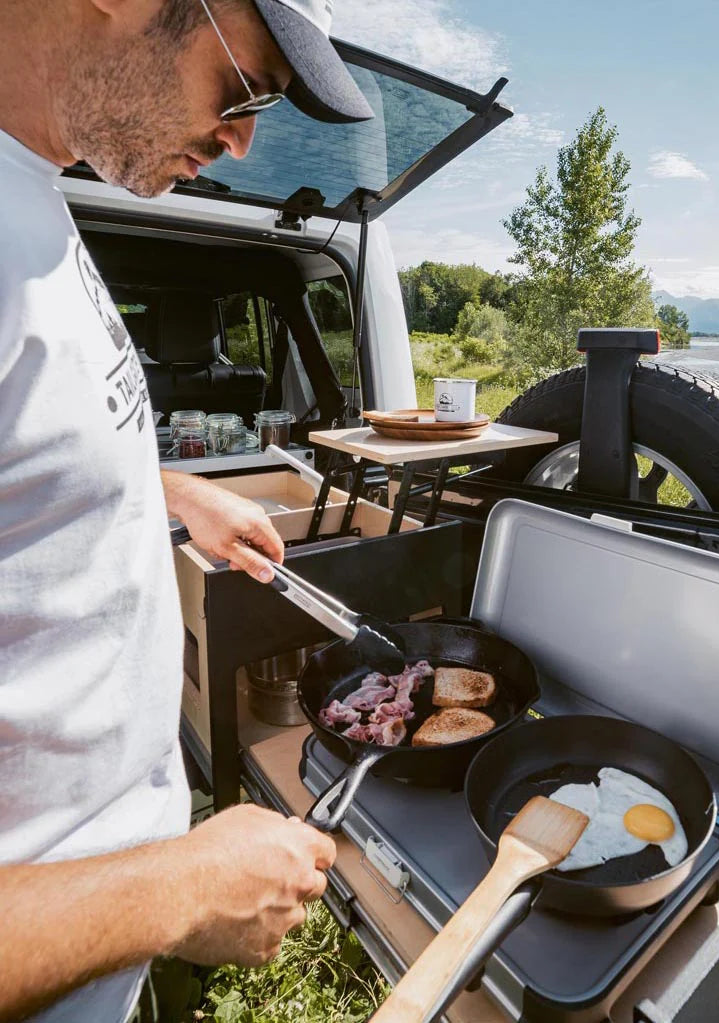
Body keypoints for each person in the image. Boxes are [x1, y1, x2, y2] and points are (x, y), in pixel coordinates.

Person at [0, 1, 376, 1020]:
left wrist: (155, 490)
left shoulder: (32, 194)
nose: (244, 138)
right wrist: (174, 892)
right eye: (246, 88)